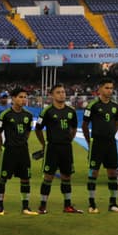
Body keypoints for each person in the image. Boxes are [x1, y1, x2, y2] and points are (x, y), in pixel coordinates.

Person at [34, 84, 79, 215]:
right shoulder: (47, 111)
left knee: (66, 176)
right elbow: (38, 129)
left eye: (63, 92)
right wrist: (44, 143)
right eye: (58, 92)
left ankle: (68, 205)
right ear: (52, 95)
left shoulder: (71, 111)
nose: (62, 94)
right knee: (48, 177)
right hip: (52, 148)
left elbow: (74, 128)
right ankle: (42, 206)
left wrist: (70, 139)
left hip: (66, 148)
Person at [81, 78, 118, 213]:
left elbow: (116, 123)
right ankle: (92, 204)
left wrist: (110, 134)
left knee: (112, 172)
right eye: (107, 88)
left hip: (110, 143)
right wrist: (89, 141)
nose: (109, 90)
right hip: (96, 143)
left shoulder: (116, 107)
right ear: (99, 89)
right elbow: (84, 125)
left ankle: (113, 204)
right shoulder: (92, 106)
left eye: (111, 88)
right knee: (93, 172)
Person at [0, 89, 35, 215]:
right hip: (9, 150)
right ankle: (0, 207)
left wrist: (22, 141)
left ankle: (25, 207)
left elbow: (28, 131)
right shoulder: (5, 114)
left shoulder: (28, 115)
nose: (23, 99)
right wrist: (1, 146)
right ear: (13, 98)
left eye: (25, 97)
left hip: (23, 150)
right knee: (3, 178)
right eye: (20, 97)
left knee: (25, 178)